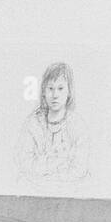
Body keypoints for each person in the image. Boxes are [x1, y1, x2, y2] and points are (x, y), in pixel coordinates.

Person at [15, 61, 91, 190]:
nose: (55, 95)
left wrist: (45, 167)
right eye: (50, 88)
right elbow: (25, 162)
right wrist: (59, 163)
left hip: (70, 189)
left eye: (60, 89)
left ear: (69, 92)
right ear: (44, 92)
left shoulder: (77, 124)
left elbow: (79, 168)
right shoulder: (33, 123)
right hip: (35, 187)